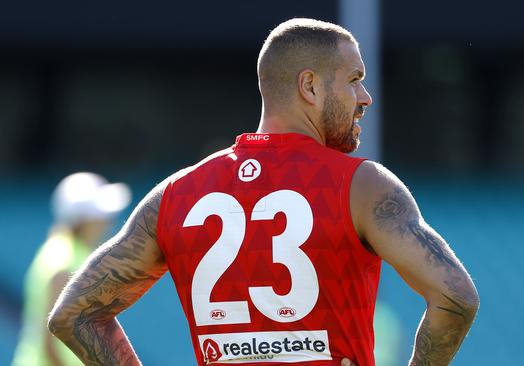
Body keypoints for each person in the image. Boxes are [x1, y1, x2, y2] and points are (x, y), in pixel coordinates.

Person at [48, 18, 479, 365]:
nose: (364, 97)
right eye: (353, 79)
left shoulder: (174, 196)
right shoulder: (362, 186)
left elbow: (74, 315)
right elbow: (455, 296)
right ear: (309, 86)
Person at [12, 172, 131, 366]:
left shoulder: (68, 253)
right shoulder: (64, 262)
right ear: (82, 220)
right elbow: (49, 342)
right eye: (99, 215)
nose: (107, 221)